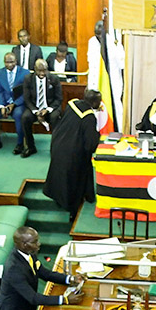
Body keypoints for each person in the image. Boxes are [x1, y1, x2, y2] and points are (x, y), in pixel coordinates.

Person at [43, 90, 102, 218]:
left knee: (59, 174)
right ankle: (71, 207)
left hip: (58, 144)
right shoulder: (89, 117)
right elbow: (90, 145)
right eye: (99, 100)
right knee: (74, 180)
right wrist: (98, 135)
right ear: (94, 102)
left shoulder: (72, 103)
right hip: (73, 154)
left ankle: (58, 198)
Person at [18, 58, 63, 158]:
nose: (42, 73)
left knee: (55, 117)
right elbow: (27, 98)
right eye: (39, 70)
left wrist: (47, 110)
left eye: (44, 70)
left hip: (51, 108)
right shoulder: (28, 79)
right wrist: (36, 111)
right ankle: (30, 147)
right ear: (35, 69)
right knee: (25, 118)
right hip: (35, 107)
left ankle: (55, 148)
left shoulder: (54, 79)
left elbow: (59, 99)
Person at [0, 52, 29, 153]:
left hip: (18, 103)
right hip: (4, 102)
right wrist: (2, 106)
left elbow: (26, 93)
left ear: (16, 61)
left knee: (19, 115)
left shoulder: (25, 73)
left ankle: (20, 144)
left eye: (11, 62)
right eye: (7, 62)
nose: (9, 64)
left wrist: (14, 104)